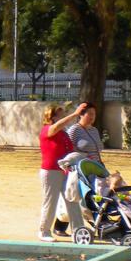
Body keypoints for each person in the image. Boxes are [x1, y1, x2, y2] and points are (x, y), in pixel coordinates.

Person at [38, 103, 86, 242]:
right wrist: (76, 114)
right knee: (50, 202)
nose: (63, 116)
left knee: (72, 199)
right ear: (51, 116)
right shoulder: (47, 130)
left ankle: (78, 231)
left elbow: (69, 150)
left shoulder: (64, 133)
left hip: (65, 171)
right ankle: (44, 231)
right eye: (60, 114)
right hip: (50, 172)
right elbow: (57, 126)